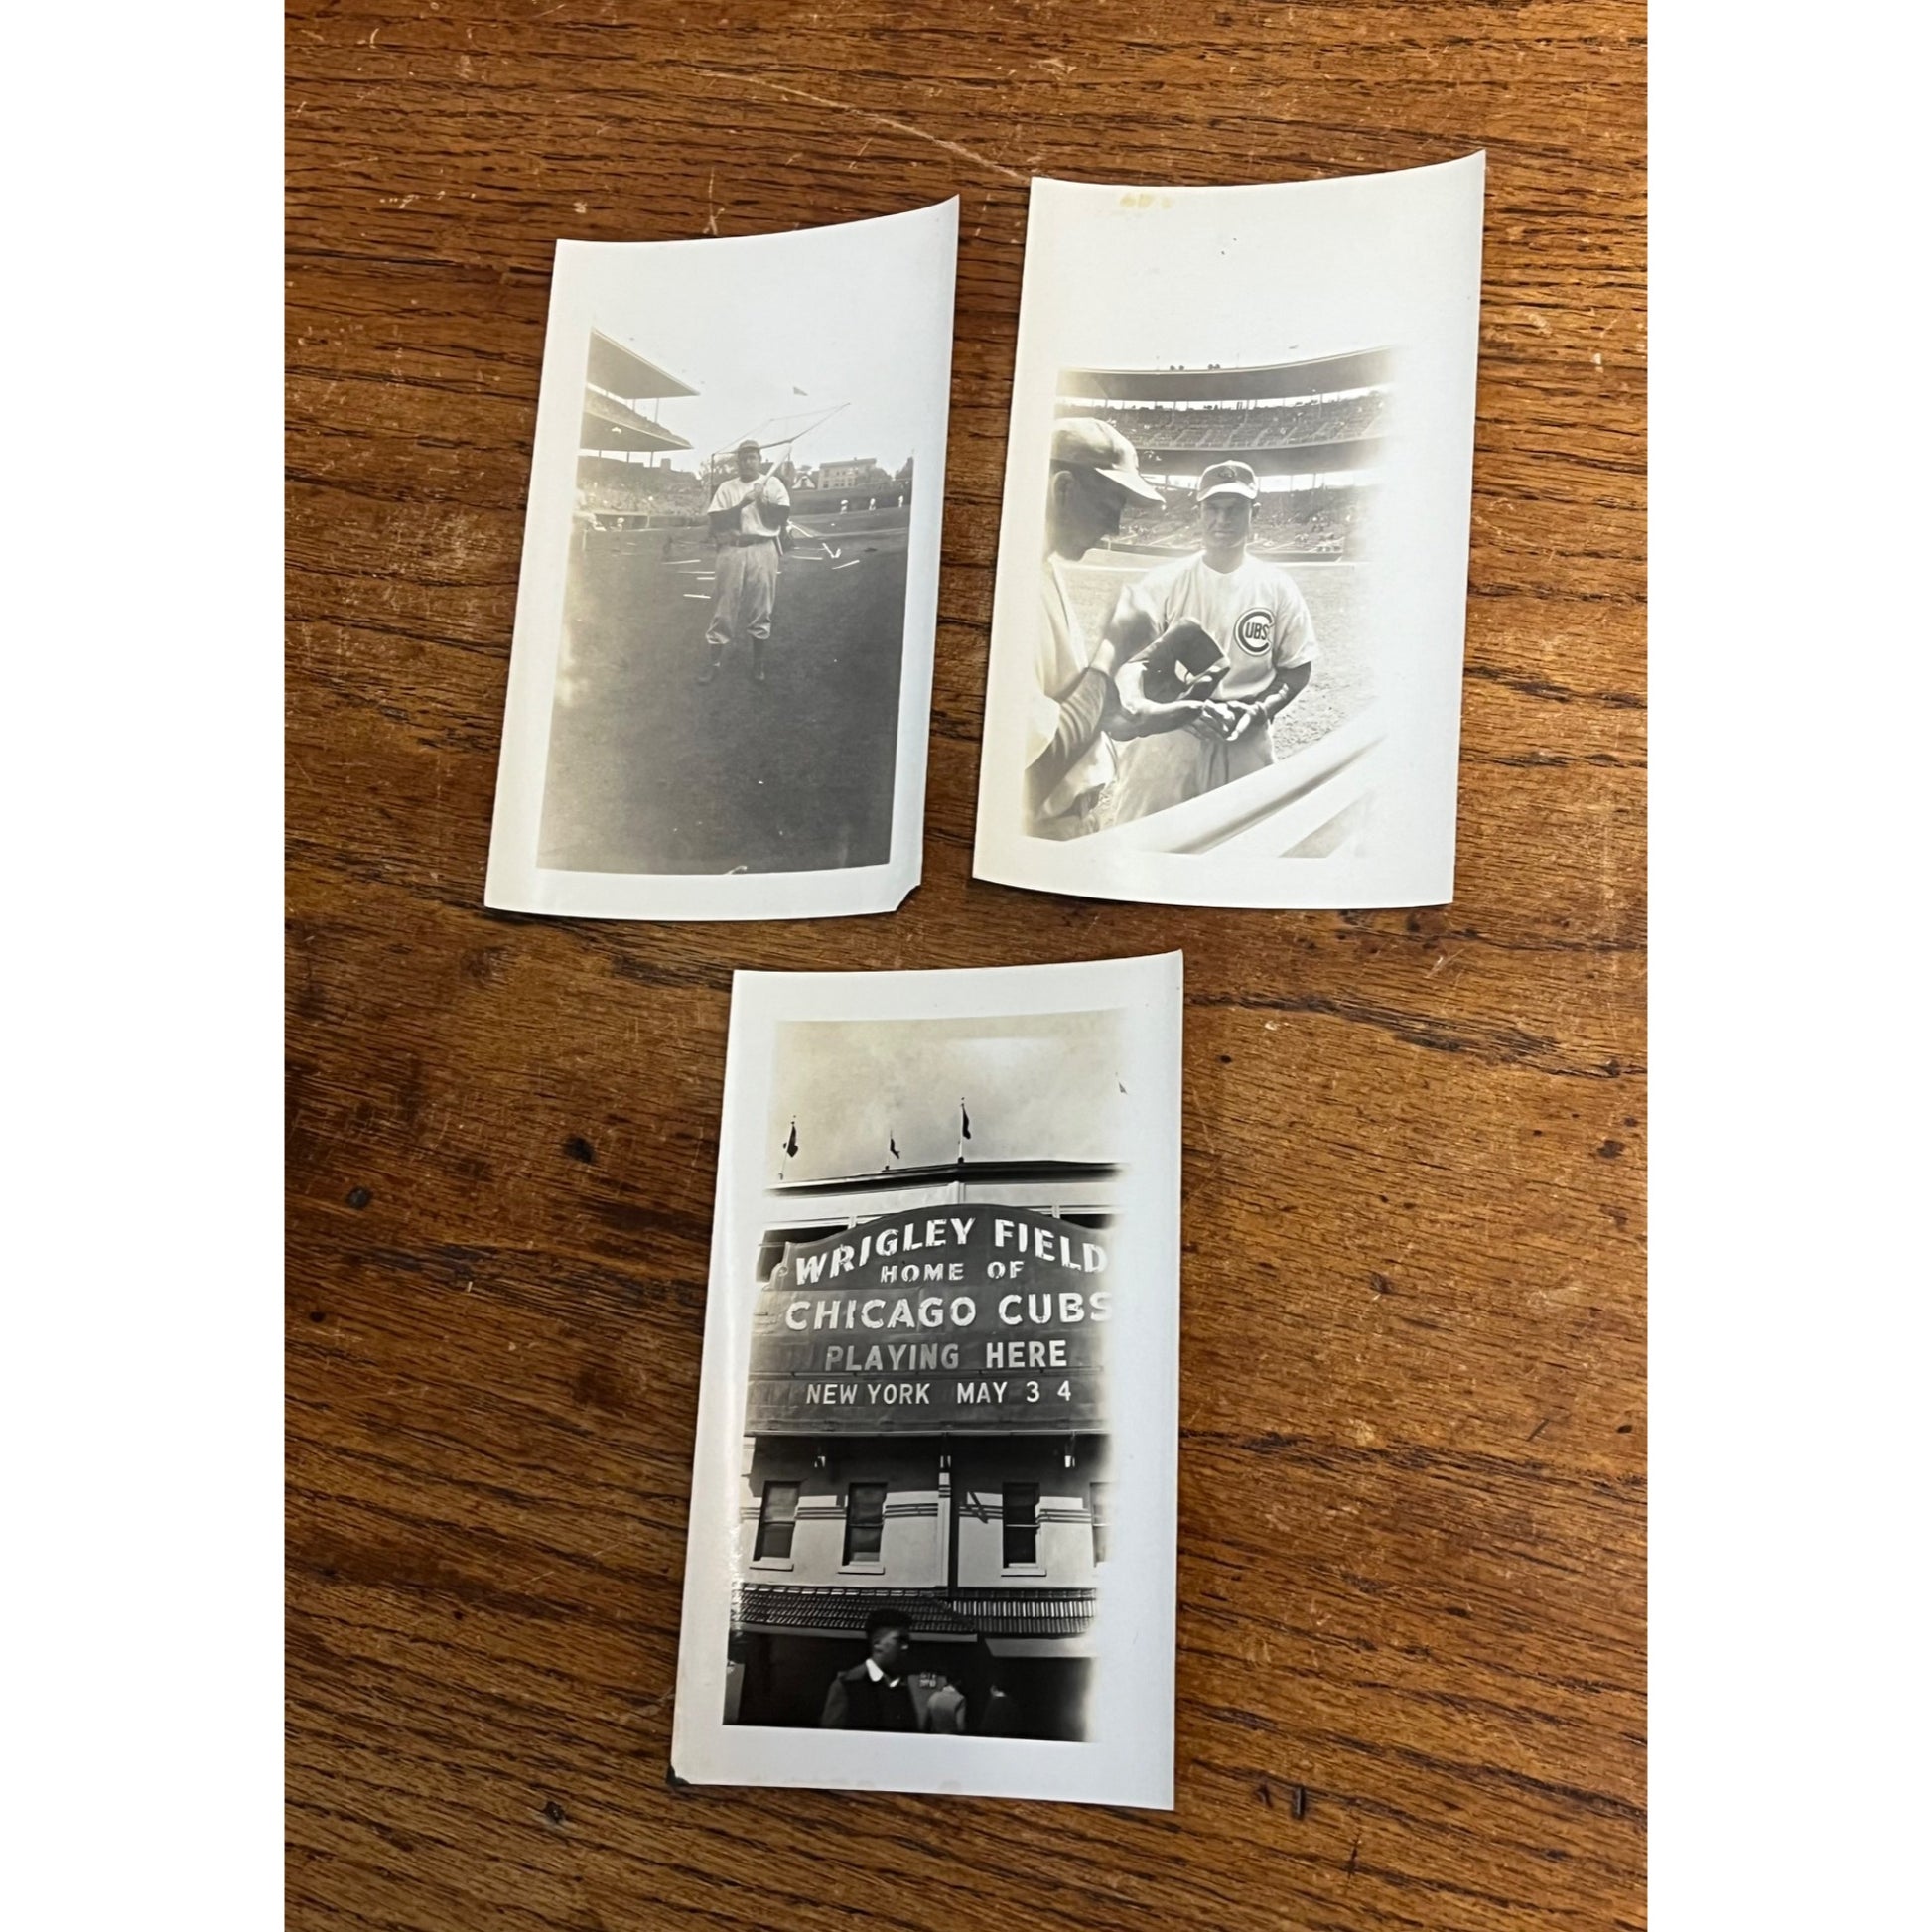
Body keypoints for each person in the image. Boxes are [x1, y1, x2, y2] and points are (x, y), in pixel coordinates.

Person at [1103, 460, 1318, 825]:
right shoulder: (1163, 582)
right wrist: (1177, 708)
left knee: (1247, 842)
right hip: (1168, 736)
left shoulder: (1277, 586)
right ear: (1199, 513)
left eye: (1235, 509)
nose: (1223, 519)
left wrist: (1261, 709)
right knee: (1145, 839)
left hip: (1244, 733)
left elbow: (1297, 668)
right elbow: (1131, 667)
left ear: (1254, 513)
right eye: (1213, 508)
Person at [1026, 418, 1169, 839]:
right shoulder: (1012, 581)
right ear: (1064, 489)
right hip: (1043, 834)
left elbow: (1053, 710)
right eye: (1109, 508)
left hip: (1072, 821)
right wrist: (1113, 647)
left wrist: (1108, 715)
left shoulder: (1043, 566)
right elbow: (1031, 768)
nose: (1115, 529)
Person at [700, 438, 790, 684]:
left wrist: (762, 501)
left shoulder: (774, 484)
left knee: (762, 607)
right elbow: (717, 522)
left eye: (752, 457)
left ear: (760, 460)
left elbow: (780, 518)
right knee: (724, 608)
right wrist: (743, 503)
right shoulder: (726, 488)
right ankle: (714, 664)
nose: (747, 462)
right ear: (737, 462)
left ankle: (758, 664)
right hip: (732, 549)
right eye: (743, 458)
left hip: (763, 548)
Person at [820, 1606, 955, 1731]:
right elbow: (831, 1739)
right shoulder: (847, 1685)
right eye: (899, 1640)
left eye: (907, 1641)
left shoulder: (903, 1686)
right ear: (877, 1643)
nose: (906, 1647)